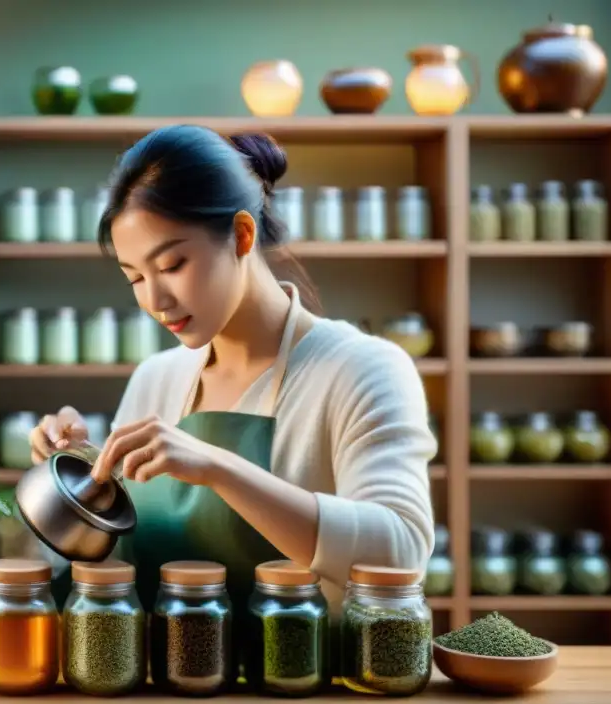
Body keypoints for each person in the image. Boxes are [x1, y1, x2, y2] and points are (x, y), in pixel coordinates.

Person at [28, 124, 437, 627]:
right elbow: (119, 570)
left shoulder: (363, 369)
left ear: (242, 235)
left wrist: (220, 469)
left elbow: (401, 554)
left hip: (307, 689)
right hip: (165, 686)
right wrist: (83, 470)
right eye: (135, 277)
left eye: (173, 264)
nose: (155, 301)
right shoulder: (156, 379)